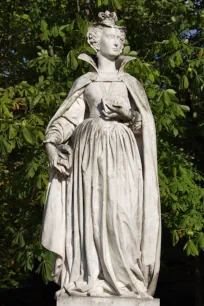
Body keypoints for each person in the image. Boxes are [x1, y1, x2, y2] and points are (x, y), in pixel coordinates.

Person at [42, 11, 161, 299]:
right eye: (112, 35)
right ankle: (90, 277)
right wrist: (51, 145)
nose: (119, 40)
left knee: (122, 215)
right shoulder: (86, 81)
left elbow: (145, 128)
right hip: (89, 156)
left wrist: (129, 114)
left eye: (121, 36)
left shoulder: (131, 83)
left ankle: (125, 281)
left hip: (123, 156)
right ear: (96, 41)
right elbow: (66, 120)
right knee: (92, 214)